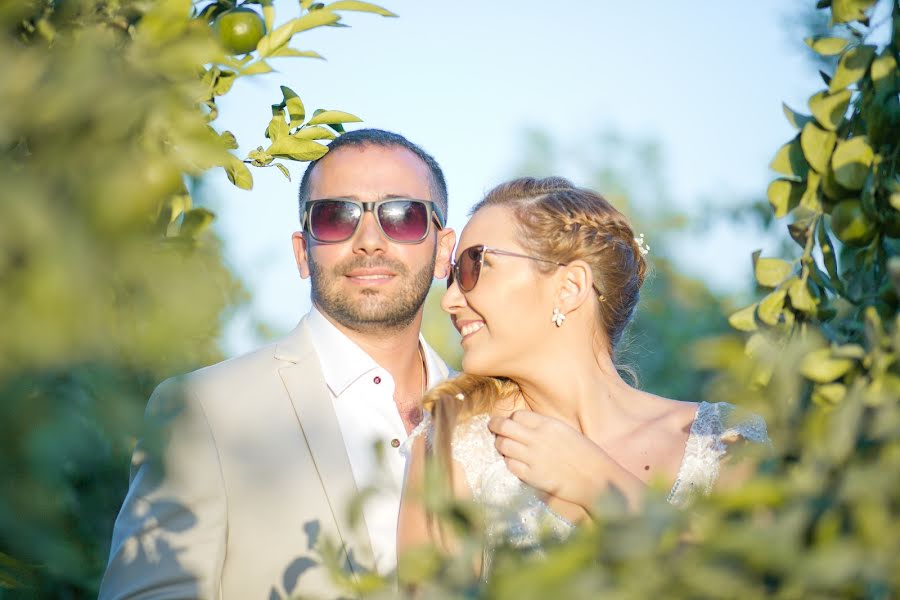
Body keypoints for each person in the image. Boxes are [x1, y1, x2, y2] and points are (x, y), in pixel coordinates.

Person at [100, 129, 457, 598]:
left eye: (402, 216)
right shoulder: (207, 411)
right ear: (301, 252)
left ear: (443, 250)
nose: (369, 240)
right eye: (336, 217)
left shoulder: (492, 417)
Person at [397, 176, 769, 578]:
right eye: (452, 276)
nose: (450, 299)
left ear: (570, 286)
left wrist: (599, 483)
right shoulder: (453, 446)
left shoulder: (727, 439)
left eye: (476, 266)